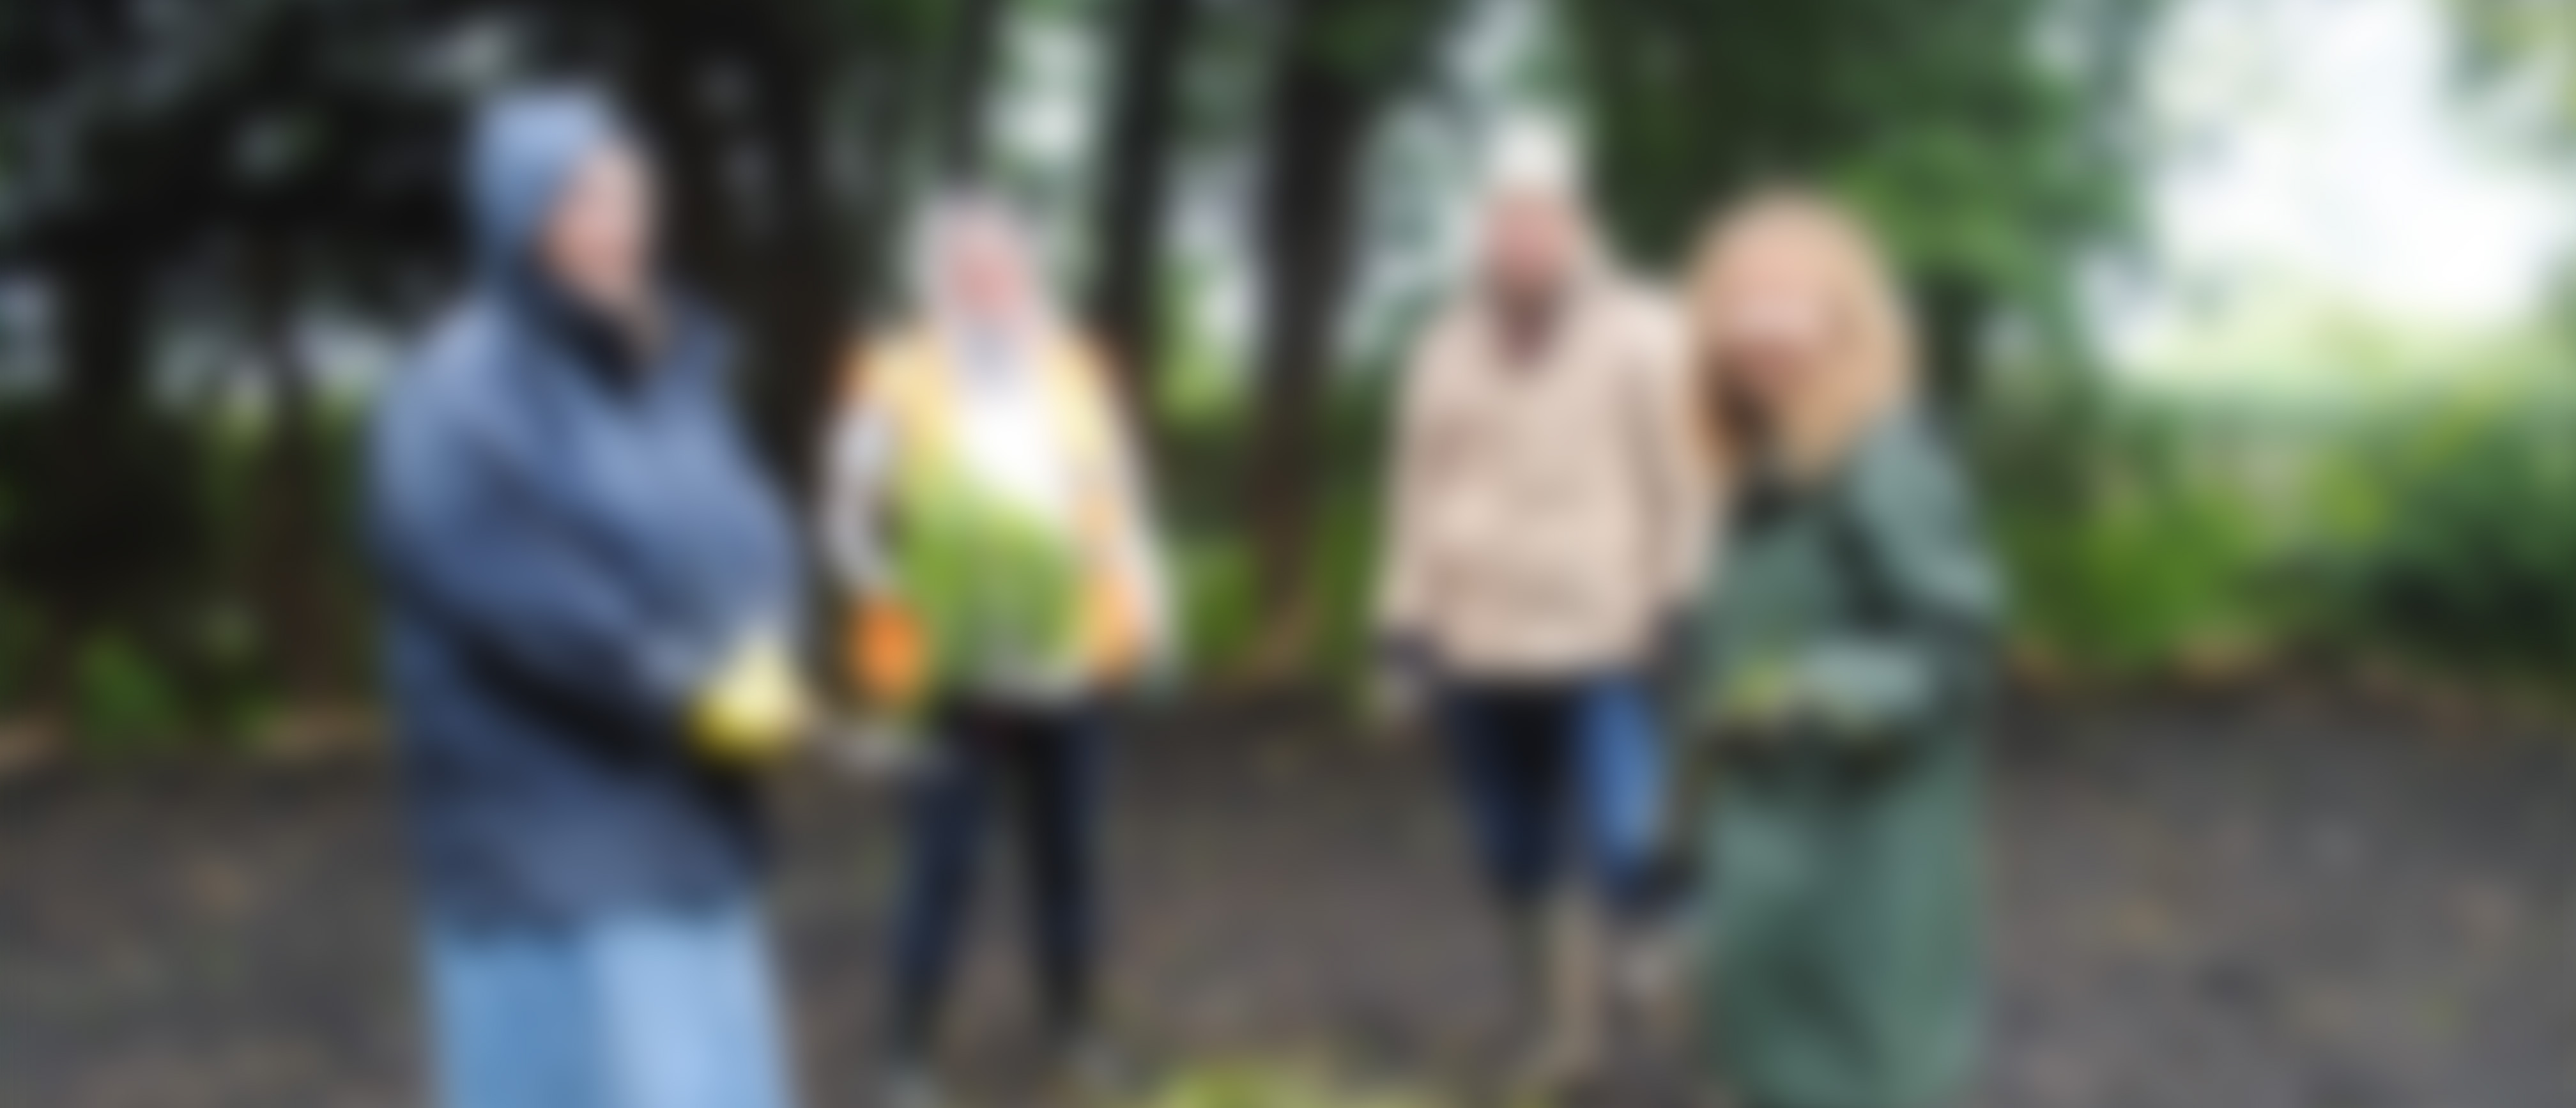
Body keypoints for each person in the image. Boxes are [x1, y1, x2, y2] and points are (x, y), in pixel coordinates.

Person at [369, 88, 815, 1108]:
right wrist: (689, 691)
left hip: (691, 834)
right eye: (582, 200)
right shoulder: (455, 393)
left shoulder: (671, 375)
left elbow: (755, 532)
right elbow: (505, 587)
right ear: (516, 216)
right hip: (551, 858)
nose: (617, 225)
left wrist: (773, 652)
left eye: (630, 196)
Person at [1371, 123, 1709, 1090]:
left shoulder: (1646, 327)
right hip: (1475, 644)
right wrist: (1400, 625)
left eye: (1541, 215)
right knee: (1511, 854)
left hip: (1606, 638)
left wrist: (1683, 597)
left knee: (1634, 846)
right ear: (1484, 228)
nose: (1522, 235)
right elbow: (1412, 497)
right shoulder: (1439, 349)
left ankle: (1708, 1039)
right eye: (1505, 216)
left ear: (1577, 223)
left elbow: (1689, 480)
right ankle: (1566, 1034)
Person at [821, 194, 1169, 1108]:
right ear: (938, 279)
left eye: (1005, 265)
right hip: (952, 668)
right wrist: (884, 585)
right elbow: (846, 515)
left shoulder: (1075, 369)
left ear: (1030, 274)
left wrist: (1150, 602)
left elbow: (1122, 502)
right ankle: (906, 1057)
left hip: (1071, 660)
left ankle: (1074, 1032)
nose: (990, 282)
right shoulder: (895, 374)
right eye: (969, 267)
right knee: (941, 858)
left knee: (1070, 856)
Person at [1681, 191, 2005, 1108]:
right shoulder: (1778, 455)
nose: (1759, 330)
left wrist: (1810, 690)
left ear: (1844, 317)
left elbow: (1954, 649)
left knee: (1851, 1078)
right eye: (1736, 304)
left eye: (1787, 302)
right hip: (1777, 856)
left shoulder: (1888, 456)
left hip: (1862, 871)